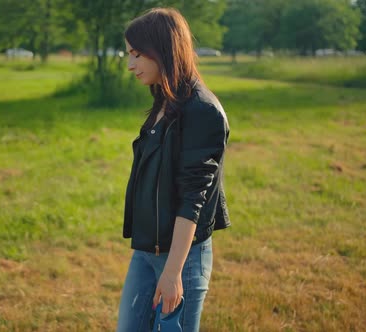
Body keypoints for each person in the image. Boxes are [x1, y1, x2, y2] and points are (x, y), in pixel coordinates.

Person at [117, 7, 231, 332]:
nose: (131, 64)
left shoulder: (202, 111)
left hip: (181, 258)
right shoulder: (164, 101)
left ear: (162, 49)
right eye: (130, 54)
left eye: (138, 54)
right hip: (146, 252)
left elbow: (193, 198)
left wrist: (172, 272)